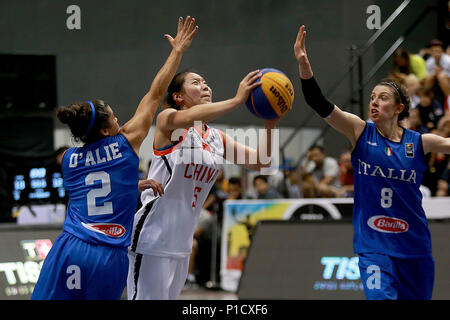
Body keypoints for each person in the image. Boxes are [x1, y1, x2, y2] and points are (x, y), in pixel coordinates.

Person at [31, 16, 197, 300]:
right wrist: (177, 51)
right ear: (106, 129)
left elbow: (96, 187)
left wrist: (135, 183)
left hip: (70, 248)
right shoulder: (126, 143)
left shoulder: (69, 160)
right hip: (108, 256)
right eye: (114, 115)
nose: (120, 118)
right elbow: (156, 93)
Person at [294, 25, 450, 300]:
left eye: (383, 98)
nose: (374, 102)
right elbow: (318, 102)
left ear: (399, 108)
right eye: (373, 97)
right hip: (374, 245)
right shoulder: (360, 131)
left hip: (415, 246)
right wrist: (304, 66)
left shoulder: (419, 142)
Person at [127, 67, 279, 299]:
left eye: (206, 82)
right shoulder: (168, 120)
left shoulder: (216, 138)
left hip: (182, 242)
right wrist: (238, 100)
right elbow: (189, 118)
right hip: (152, 237)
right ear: (178, 97)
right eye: (196, 82)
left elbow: (263, 161)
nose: (205, 86)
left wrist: (270, 122)